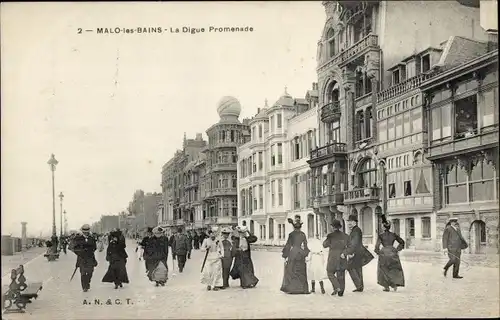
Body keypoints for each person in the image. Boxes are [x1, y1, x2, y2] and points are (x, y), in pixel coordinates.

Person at [280, 215, 310, 294]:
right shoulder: (303, 234)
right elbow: (305, 245)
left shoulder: (291, 234)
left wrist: (285, 255)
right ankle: (302, 289)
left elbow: (288, 245)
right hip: (300, 253)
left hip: (293, 253)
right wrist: (305, 254)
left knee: (291, 270)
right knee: (301, 270)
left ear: (293, 227)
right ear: (300, 227)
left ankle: (293, 289)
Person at [344, 214, 374, 293]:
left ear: (355, 222)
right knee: (357, 268)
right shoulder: (355, 230)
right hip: (358, 252)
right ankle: (359, 286)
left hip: (356, 252)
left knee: (350, 267)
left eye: (351, 222)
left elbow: (355, 243)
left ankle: (359, 286)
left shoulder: (356, 230)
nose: (349, 223)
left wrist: (350, 252)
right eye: (348, 222)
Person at [374, 219, 405, 292]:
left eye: (382, 226)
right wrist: (397, 250)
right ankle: (394, 284)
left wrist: (379, 253)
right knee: (392, 269)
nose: (382, 227)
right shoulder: (393, 235)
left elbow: (376, 247)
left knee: (383, 270)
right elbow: (402, 242)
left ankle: (386, 287)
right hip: (392, 252)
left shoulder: (381, 236)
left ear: (384, 227)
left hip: (384, 253)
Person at [323, 219, 349, 296]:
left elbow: (324, 245)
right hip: (342, 257)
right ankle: (340, 293)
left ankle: (337, 287)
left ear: (332, 227)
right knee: (341, 274)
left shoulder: (330, 236)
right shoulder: (345, 236)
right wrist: (345, 253)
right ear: (339, 227)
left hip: (333, 257)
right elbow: (350, 246)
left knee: (330, 272)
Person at [72, 224, 98, 292]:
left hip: (90, 257)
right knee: (83, 273)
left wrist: (89, 250)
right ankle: (84, 287)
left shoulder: (92, 238)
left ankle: (87, 283)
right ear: (82, 231)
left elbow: (95, 247)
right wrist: (80, 252)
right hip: (81, 258)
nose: (86, 232)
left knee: (90, 272)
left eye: (87, 231)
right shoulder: (78, 239)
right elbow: (74, 249)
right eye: (84, 231)